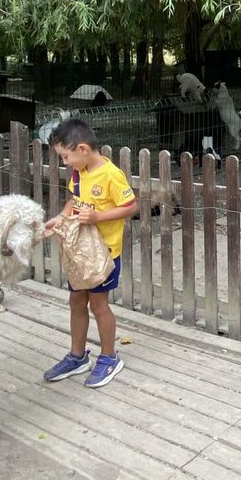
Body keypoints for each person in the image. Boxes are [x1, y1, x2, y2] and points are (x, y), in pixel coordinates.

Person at [41, 119, 137, 388]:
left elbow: (130, 207)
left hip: (103, 255)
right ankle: (77, 356)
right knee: (76, 301)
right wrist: (60, 217)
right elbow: (75, 199)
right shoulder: (78, 171)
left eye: (65, 156)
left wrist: (99, 216)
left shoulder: (110, 175)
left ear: (82, 149)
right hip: (81, 252)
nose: (65, 162)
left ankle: (109, 357)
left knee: (98, 304)